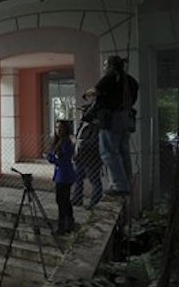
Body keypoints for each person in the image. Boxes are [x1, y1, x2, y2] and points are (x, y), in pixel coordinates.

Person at [88, 55, 139, 196]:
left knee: (109, 152)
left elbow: (95, 90)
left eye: (106, 65)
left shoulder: (111, 78)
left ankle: (119, 185)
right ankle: (126, 182)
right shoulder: (131, 81)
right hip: (127, 118)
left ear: (111, 66)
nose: (104, 68)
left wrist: (86, 94)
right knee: (123, 152)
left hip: (112, 119)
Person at [72, 100, 104, 210]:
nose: (81, 114)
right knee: (77, 179)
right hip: (80, 158)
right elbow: (77, 139)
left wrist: (81, 143)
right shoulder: (82, 125)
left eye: (84, 111)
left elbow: (95, 141)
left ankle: (95, 203)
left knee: (94, 181)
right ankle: (77, 199)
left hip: (91, 158)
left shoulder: (96, 126)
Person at [46, 120, 76, 234]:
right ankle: (69, 223)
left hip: (65, 175)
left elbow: (62, 160)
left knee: (61, 201)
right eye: (57, 128)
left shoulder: (66, 143)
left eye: (61, 128)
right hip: (61, 174)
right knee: (64, 200)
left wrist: (51, 158)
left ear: (66, 129)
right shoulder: (59, 142)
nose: (58, 130)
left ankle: (62, 226)